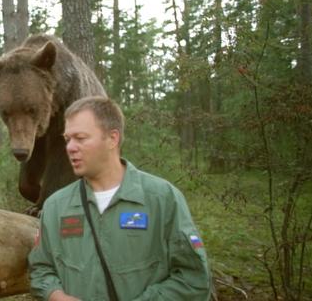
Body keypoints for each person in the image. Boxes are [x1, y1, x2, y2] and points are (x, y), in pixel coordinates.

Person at [28, 96, 211, 301]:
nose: (70, 147)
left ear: (112, 139)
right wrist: (55, 295)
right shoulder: (56, 206)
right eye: (67, 139)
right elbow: (41, 268)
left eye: (80, 138)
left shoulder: (162, 198)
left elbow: (194, 278)